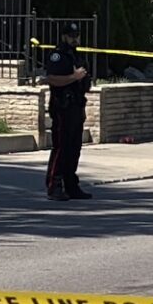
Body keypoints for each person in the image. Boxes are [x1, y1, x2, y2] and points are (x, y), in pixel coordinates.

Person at [44, 23, 91, 201]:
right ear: (64, 37)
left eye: (77, 36)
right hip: (62, 106)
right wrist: (74, 77)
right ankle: (54, 185)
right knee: (61, 147)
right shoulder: (58, 56)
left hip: (77, 105)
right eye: (71, 36)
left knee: (74, 148)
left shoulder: (77, 55)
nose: (75, 39)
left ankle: (71, 184)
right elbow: (52, 79)